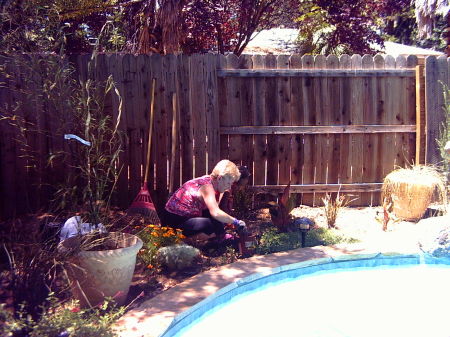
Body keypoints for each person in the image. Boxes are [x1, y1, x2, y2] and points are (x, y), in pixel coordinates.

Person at [161, 160, 247, 241]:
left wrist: (228, 221)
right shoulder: (207, 188)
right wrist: (236, 222)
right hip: (174, 223)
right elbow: (216, 213)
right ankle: (217, 240)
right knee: (213, 224)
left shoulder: (207, 180)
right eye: (229, 183)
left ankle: (220, 237)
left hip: (173, 218)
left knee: (218, 221)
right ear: (220, 178)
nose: (229, 187)